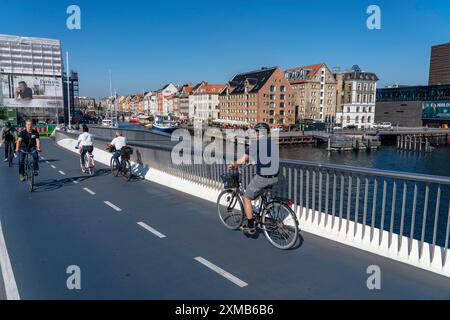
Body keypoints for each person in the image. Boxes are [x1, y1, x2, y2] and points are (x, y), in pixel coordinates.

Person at [228, 122, 279, 235]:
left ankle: (250, 226)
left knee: (247, 198)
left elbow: (243, 159)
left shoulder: (257, 144)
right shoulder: (272, 143)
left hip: (263, 178)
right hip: (274, 177)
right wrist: (258, 162)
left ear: (258, 133)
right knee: (260, 192)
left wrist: (234, 164)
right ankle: (264, 212)